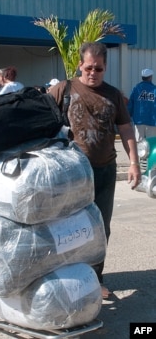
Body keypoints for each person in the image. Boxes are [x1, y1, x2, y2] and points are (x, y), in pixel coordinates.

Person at [49, 42, 141, 298]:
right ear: (80, 64)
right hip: (70, 175)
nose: (93, 73)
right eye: (88, 67)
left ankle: (94, 278)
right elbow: (39, 121)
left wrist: (133, 163)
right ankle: (65, 277)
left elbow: (125, 129)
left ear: (105, 67)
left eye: (98, 69)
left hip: (104, 171)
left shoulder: (113, 94)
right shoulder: (62, 90)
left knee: (100, 228)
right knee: (67, 228)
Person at [127, 68, 156, 141]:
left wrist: (128, 116)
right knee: (151, 145)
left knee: (140, 146)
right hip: (152, 122)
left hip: (139, 121)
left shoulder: (136, 89)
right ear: (150, 77)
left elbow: (130, 104)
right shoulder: (154, 89)